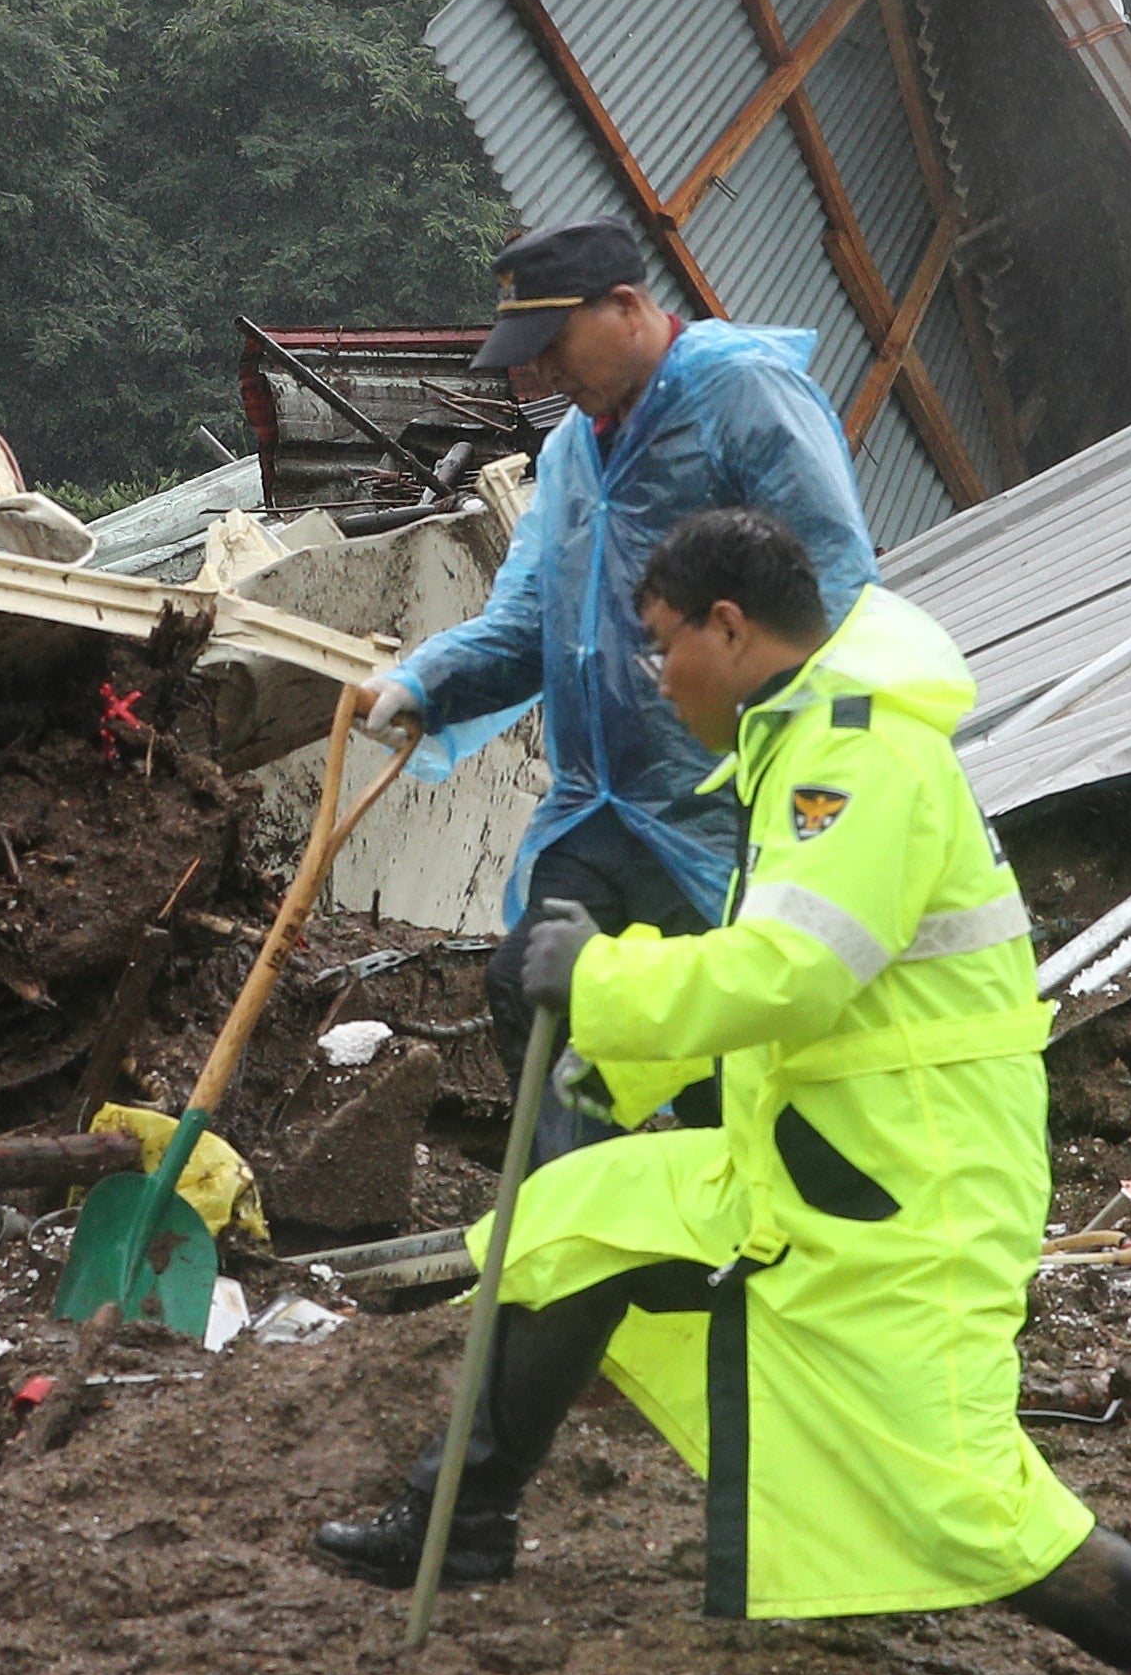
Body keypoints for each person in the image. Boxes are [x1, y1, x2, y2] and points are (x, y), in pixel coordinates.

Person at [313, 508, 1131, 1675]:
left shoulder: (855, 765)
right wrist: (605, 1051)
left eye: (660, 645)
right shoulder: (801, 743)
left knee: (958, 1497)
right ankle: (463, 1515)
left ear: (729, 631)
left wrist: (590, 980)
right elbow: (791, 993)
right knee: (571, 1219)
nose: (653, 676)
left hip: (908, 1184)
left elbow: (790, 978)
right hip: (819, 1158)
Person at [362, 218, 879, 1142]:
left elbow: (833, 580)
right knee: (536, 993)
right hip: (599, 802)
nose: (544, 373)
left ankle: (735, 1219)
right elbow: (534, 623)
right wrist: (427, 684)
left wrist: (796, 742)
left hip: (724, 805)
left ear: (628, 307)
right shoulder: (572, 452)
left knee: (732, 1045)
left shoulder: (739, 393)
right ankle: (580, 1232)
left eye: (555, 343)